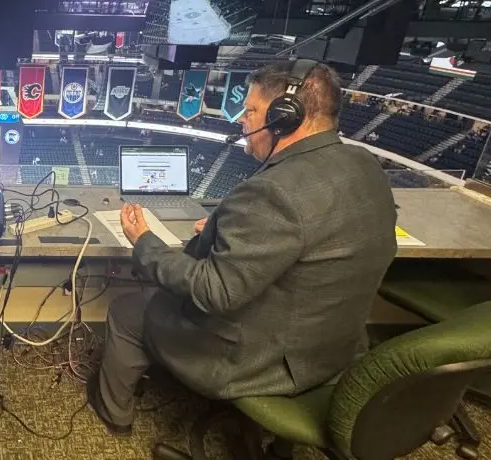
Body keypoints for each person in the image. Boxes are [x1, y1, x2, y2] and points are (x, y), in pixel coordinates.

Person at [88, 60, 397, 435]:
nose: (242, 121)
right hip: (334, 350)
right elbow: (311, 235)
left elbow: (213, 292)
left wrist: (144, 242)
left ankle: (114, 415)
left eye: (250, 111)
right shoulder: (365, 165)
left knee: (127, 310)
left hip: (261, 363)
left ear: (285, 116)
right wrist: (227, 227)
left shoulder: (271, 192)